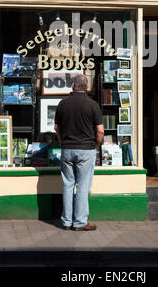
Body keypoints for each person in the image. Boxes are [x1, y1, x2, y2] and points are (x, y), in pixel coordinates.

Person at [54, 74, 104, 231]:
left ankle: (67, 221)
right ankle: (80, 222)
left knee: (68, 185)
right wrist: (95, 145)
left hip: (67, 149)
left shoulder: (62, 104)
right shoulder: (93, 105)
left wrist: (63, 141)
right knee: (82, 186)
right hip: (86, 149)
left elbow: (57, 128)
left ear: (73, 86)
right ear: (86, 87)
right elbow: (100, 131)